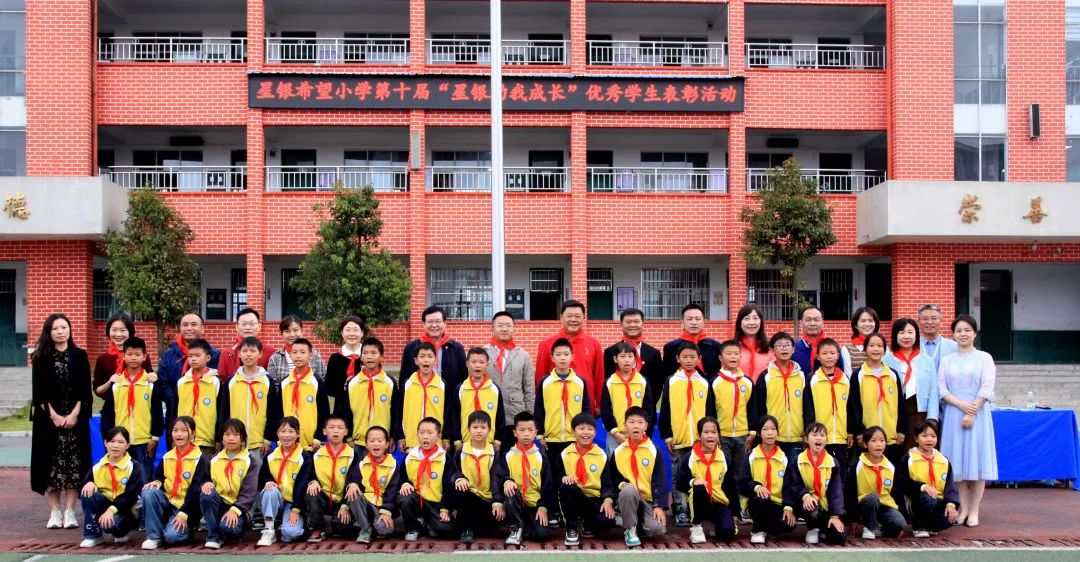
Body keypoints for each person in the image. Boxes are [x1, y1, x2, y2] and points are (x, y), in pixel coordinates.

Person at [30, 313, 92, 529]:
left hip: (75, 420)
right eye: (55, 328)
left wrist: (74, 414)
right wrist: (54, 416)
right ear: (49, 332)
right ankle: (55, 512)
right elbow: (39, 393)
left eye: (64, 327)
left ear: (69, 329)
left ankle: (70, 512)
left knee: (74, 466)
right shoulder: (40, 357)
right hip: (49, 422)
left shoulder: (80, 355)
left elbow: (84, 391)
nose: (60, 332)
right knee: (52, 466)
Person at [938, 315, 997, 528]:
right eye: (959, 331)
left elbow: (987, 387)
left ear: (975, 333)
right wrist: (961, 405)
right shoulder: (947, 360)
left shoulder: (984, 358)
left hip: (978, 415)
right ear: (953, 335)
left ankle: (974, 510)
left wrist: (972, 411)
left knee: (977, 461)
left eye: (967, 330)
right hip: (954, 413)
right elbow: (942, 389)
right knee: (957, 463)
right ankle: (963, 507)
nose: (963, 334)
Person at [659, 341, 714, 527]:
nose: (689, 360)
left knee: (697, 472)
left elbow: (710, 411)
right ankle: (680, 507)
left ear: (699, 359)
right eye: (684, 357)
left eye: (692, 357)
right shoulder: (671, 381)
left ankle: (695, 507)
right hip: (678, 438)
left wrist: (708, 435)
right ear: (677, 359)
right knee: (678, 473)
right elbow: (665, 410)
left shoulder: (705, 382)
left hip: (699, 439)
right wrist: (667, 435)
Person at [99, 336, 164, 482]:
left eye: (137, 354)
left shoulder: (150, 384)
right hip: (120, 441)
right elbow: (108, 414)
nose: (133, 358)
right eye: (129, 354)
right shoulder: (116, 385)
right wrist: (109, 438)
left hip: (144, 441)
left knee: (144, 479)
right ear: (123, 356)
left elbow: (157, 413)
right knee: (121, 480)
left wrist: (154, 438)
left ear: (144, 356)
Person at [141, 416, 209, 550]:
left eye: (184, 430)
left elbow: (195, 490)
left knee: (172, 537)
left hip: (186, 508)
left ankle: (184, 530)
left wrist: (184, 513)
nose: (179, 434)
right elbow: (159, 476)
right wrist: (156, 481)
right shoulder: (168, 456)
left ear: (193, 433)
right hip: (168, 502)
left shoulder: (200, 458)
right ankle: (154, 537)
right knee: (149, 492)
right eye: (175, 430)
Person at [535, 338, 591, 488]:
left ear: (572, 357)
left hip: (574, 438)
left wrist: (583, 433)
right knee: (552, 475)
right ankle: (552, 502)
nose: (562, 358)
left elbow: (586, 410)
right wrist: (540, 435)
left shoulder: (580, 382)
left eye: (566, 354)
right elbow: (539, 409)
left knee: (571, 475)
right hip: (551, 439)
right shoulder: (545, 382)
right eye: (558, 354)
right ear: (552, 358)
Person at [610, 406, 668, 548]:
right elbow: (613, 478)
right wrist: (622, 484)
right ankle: (630, 529)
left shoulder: (653, 450)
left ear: (646, 426)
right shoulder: (618, 452)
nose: (636, 426)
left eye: (640, 422)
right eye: (631, 422)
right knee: (628, 490)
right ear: (625, 426)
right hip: (628, 498)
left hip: (647, 500)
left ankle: (639, 525)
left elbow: (660, 480)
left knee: (657, 530)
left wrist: (658, 505)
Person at [78, 427, 144, 547]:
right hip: (105, 506)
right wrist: (88, 483)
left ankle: (121, 532)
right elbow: (81, 491)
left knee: (111, 525)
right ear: (105, 443)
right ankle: (93, 535)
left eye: (120, 442)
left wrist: (111, 510)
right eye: (112, 441)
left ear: (127, 445)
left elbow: (131, 496)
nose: (115, 445)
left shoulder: (133, 466)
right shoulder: (98, 466)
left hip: (125, 511)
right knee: (87, 492)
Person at [535, 300, 605, 412]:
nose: (573, 320)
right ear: (561, 318)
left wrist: (599, 405)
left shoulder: (593, 344)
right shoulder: (546, 344)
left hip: (585, 404)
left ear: (583, 318)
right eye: (569, 316)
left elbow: (599, 377)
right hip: (554, 404)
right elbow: (540, 377)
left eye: (578, 316)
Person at [676, 416, 736, 544]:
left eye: (714, 432)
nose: (710, 436)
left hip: (719, 501)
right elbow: (680, 483)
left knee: (727, 533)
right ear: (699, 435)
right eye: (706, 432)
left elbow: (730, 486)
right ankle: (696, 526)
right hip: (698, 501)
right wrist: (693, 481)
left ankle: (717, 522)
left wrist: (733, 513)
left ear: (718, 436)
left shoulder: (724, 457)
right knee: (700, 489)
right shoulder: (690, 457)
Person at [784, 423, 846, 545]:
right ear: (806, 439)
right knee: (811, 506)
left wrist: (835, 516)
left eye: (822, 435)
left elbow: (836, 491)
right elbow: (794, 484)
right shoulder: (797, 460)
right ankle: (812, 528)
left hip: (825, 506)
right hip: (806, 504)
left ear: (826, 440)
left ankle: (823, 528)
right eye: (814, 435)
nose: (819, 438)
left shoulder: (833, 463)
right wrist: (805, 495)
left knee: (839, 537)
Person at [558, 413, 615, 546]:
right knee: (568, 487)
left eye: (590, 429)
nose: (586, 432)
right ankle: (571, 528)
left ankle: (587, 524)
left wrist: (608, 500)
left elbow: (607, 483)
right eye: (581, 428)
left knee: (607, 522)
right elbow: (556, 477)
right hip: (573, 497)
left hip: (593, 499)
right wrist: (563, 477)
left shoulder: (601, 455)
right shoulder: (565, 454)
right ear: (573, 432)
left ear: (595, 432)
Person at [201, 418, 259, 549]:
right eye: (227, 434)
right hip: (220, 505)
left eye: (236, 434)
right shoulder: (214, 460)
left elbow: (249, 491)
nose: (231, 438)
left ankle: (233, 529)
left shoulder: (250, 461)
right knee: (206, 493)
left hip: (239, 508)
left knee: (229, 529)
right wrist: (206, 483)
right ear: (222, 438)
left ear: (243, 439)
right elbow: (204, 479)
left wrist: (235, 510)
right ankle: (213, 536)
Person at [496, 411, 553, 545]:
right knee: (510, 488)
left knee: (543, 535)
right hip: (513, 502)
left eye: (530, 430)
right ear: (515, 433)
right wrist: (506, 481)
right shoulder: (507, 455)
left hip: (534, 503)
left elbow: (548, 485)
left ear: (536, 432)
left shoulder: (541, 456)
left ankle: (525, 527)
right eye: (522, 430)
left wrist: (543, 507)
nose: (526, 434)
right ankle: (516, 527)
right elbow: (499, 477)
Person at [737, 415, 795, 545]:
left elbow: (788, 486)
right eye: (765, 429)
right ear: (759, 433)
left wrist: (788, 507)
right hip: (756, 502)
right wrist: (756, 486)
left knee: (789, 524)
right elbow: (741, 484)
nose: (770, 433)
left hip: (776, 504)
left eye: (773, 429)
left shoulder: (784, 458)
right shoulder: (751, 456)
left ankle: (768, 528)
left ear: (777, 433)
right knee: (762, 499)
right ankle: (757, 530)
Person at [896, 420, 960, 538]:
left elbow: (950, 486)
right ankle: (919, 526)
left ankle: (931, 526)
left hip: (937, 502)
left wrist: (951, 504)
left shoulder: (943, 460)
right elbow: (902, 483)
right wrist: (923, 486)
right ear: (916, 438)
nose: (929, 439)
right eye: (924, 436)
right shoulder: (909, 459)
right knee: (928, 497)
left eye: (933, 436)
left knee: (950, 518)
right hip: (915, 502)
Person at [851, 333, 908, 463]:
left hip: (891, 438)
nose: (875, 349)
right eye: (871, 345)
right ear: (865, 349)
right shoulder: (858, 375)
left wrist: (901, 430)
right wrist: (859, 432)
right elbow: (854, 407)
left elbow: (900, 404)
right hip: (868, 438)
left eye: (879, 346)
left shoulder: (892, 374)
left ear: (885, 350)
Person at [303, 414, 361, 542]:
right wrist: (313, 481)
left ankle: (339, 521)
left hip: (343, 499)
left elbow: (354, 478)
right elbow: (310, 474)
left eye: (340, 428)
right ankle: (318, 527)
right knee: (311, 492)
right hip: (324, 498)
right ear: (324, 431)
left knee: (343, 529)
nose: (336, 431)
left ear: (346, 432)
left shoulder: (353, 454)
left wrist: (345, 505)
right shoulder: (316, 454)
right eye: (331, 427)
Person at [219, 336, 279, 460]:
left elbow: (272, 412)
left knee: (257, 471)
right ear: (239, 354)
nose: (248, 354)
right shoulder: (231, 381)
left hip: (259, 442)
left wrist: (267, 438)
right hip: (235, 441)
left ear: (260, 354)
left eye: (252, 351)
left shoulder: (267, 381)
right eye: (245, 351)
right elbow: (224, 411)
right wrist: (223, 437)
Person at [257, 417, 313, 546]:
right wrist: (268, 481)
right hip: (277, 501)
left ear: (298, 434)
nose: (286, 435)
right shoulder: (270, 456)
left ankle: (288, 524)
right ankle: (269, 530)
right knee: (270, 490)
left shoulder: (304, 457)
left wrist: (296, 509)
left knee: (290, 533)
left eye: (291, 431)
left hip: (294, 504)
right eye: (283, 431)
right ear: (277, 433)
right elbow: (262, 480)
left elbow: (302, 485)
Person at [885, 319, 940, 450]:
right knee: (896, 449)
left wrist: (932, 418)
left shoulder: (927, 360)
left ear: (916, 335)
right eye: (902, 332)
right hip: (894, 412)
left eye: (910, 332)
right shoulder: (886, 360)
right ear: (895, 335)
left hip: (918, 411)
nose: (906, 336)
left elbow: (933, 390)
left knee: (916, 450)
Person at [448, 411, 503, 544]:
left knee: (495, 523)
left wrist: (497, 501)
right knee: (461, 490)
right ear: (468, 429)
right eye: (475, 427)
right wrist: (459, 478)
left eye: (483, 427)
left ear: (489, 430)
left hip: (486, 498)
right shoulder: (461, 450)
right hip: (468, 495)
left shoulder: (494, 452)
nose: (479, 431)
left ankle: (473, 525)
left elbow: (496, 477)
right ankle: (466, 528)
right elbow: (454, 471)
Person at [397, 417, 455, 541]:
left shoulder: (445, 458)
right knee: (405, 497)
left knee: (446, 529)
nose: (425, 437)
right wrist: (405, 483)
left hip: (436, 503)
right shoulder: (410, 456)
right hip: (416, 499)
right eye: (422, 433)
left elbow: (448, 487)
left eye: (430, 433)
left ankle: (428, 524)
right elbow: (401, 477)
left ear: (439, 435)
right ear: (417, 435)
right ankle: (413, 527)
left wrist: (445, 509)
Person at [485, 311, 535, 445]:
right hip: (489, 414)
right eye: (500, 325)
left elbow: (529, 389)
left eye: (508, 325)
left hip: (515, 415)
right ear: (492, 328)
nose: (504, 329)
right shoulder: (482, 353)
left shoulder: (523, 355)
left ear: (514, 328)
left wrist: (528, 416)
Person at [846, 426, 906, 539]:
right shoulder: (858, 465)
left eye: (882, 441)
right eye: (873, 441)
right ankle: (869, 527)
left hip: (885, 505)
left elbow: (897, 493)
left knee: (900, 523)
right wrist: (852, 520)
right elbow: (850, 493)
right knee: (872, 498)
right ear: (865, 444)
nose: (878, 444)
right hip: (864, 505)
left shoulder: (890, 467)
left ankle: (879, 526)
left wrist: (902, 518)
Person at [337, 337, 397, 448]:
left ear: (381, 357)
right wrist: (348, 437)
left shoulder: (390, 382)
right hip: (358, 442)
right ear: (361, 357)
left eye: (373, 353)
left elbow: (395, 412)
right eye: (365, 353)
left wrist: (392, 436)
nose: (369, 356)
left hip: (382, 441)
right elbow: (345, 411)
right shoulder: (352, 383)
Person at [804, 338, 855, 470]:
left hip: (841, 437)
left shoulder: (845, 379)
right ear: (818, 356)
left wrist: (850, 432)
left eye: (832, 353)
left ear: (838, 356)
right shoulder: (813, 379)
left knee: (841, 472)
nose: (829, 357)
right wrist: (809, 432)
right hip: (819, 437)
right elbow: (808, 408)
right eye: (824, 353)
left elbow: (850, 408)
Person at [752, 333, 807, 456]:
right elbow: (759, 407)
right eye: (780, 345)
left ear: (793, 349)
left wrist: (806, 431)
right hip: (773, 437)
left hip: (797, 436)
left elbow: (807, 406)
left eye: (787, 345)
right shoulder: (766, 376)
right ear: (772, 350)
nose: (784, 348)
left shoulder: (801, 376)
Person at [600, 341, 654, 456]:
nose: (627, 360)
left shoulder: (642, 381)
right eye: (623, 356)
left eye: (630, 356)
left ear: (635, 359)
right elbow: (605, 409)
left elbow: (648, 409)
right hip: (616, 436)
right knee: (615, 464)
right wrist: (615, 433)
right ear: (615, 359)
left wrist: (644, 431)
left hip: (639, 434)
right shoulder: (610, 382)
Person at [171, 338, 223, 455]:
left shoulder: (215, 382)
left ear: (208, 357)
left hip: (206, 440)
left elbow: (221, 411)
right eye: (190, 356)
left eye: (197, 355)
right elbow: (173, 411)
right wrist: (172, 437)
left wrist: (218, 438)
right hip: (183, 439)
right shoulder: (182, 382)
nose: (193, 359)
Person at [158, 312, 220, 410]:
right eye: (185, 325)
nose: (189, 328)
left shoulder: (214, 354)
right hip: (175, 409)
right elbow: (163, 383)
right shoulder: (169, 354)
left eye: (194, 325)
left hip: (206, 409)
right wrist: (176, 401)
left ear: (202, 329)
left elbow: (219, 383)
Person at [394, 342, 448, 451]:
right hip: (411, 441)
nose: (426, 360)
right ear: (416, 360)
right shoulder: (407, 384)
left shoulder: (442, 385)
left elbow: (447, 413)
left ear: (435, 361)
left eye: (430, 356)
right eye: (422, 356)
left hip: (435, 443)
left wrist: (446, 438)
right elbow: (399, 411)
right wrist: (400, 436)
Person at [350, 425, 400, 544]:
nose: (376, 444)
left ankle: (367, 524)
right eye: (372, 441)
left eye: (380, 441)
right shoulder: (362, 464)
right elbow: (353, 480)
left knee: (385, 530)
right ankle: (365, 529)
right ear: (366, 445)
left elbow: (392, 491)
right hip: (366, 504)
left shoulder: (393, 465)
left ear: (387, 444)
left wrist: (386, 511)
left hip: (382, 505)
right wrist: (352, 484)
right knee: (353, 492)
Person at [446, 348, 505, 448]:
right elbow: (454, 416)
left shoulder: (494, 389)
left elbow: (500, 416)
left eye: (482, 362)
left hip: (489, 443)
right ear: (467, 364)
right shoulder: (461, 389)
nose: (477, 365)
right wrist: (457, 441)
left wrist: (498, 440)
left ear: (487, 364)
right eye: (473, 362)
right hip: (465, 442)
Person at [401, 306, 468, 391]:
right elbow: (404, 379)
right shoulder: (411, 348)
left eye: (438, 321)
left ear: (445, 323)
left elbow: (463, 380)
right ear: (424, 324)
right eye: (430, 322)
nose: (434, 325)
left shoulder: (457, 348)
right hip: (419, 397)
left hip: (448, 397)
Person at [280, 338, 330, 451]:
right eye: (295, 352)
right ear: (290, 355)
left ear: (310, 356)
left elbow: (324, 412)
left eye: (303, 352)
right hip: (287, 442)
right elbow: (278, 412)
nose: (298, 356)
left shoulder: (317, 382)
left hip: (311, 444)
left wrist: (319, 438)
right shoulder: (284, 382)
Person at [603, 308, 664, 397]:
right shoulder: (610, 352)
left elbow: (658, 384)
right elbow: (606, 381)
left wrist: (647, 402)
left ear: (642, 324)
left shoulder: (654, 353)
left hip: (645, 403)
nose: (632, 325)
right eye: (628, 322)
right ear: (621, 325)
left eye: (636, 321)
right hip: (617, 401)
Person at [93, 313, 153, 399]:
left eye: (122, 330)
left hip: (139, 402)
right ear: (108, 331)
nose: (118, 334)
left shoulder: (140, 356)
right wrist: (110, 382)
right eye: (114, 330)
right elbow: (97, 391)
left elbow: (150, 377)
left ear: (130, 331)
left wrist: (153, 376)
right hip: (112, 405)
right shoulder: (102, 359)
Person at [662, 303, 722, 378]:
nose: (694, 323)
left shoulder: (716, 347)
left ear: (703, 322)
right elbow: (666, 376)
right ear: (682, 323)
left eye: (698, 319)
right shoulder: (671, 347)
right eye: (689, 319)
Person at [217, 307, 275, 382]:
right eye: (244, 324)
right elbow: (222, 381)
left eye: (252, 324)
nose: (248, 327)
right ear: (237, 327)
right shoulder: (227, 354)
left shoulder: (270, 352)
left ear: (259, 326)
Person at [268, 315, 326, 384]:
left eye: (295, 330)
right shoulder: (275, 358)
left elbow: (322, 380)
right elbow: (273, 385)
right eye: (287, 331)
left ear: (302, 331)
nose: (292, 334)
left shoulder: (314, 354)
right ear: (281, 333)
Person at [324, 316, 366, 404]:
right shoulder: (335, 358)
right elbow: (329, 388)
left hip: (365, 404)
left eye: (355, 330)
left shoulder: (368, 357)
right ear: (342, 333)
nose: (352, 334)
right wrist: (344, 386)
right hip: (342, 406)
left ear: (362, 333)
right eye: (348, 330)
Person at [793, 307, 844, 375]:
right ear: (801, 323)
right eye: (808, 320)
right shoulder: (793, 349)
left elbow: (840, 374)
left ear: (823, 323)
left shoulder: (833, 347)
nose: (812, 323)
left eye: (816, 320)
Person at [734, 304, 772, 384]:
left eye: (755, 318)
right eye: (747, 318)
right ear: (739, 323)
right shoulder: (732, 348)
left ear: (761, 322)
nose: (751, 322)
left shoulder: (770, 350)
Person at [841, 307, 881, 378]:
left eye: (870, 320)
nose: (867, 324)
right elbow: (849, 376)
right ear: (856, 325)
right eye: (863, 321)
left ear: (875, 324)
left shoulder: (883, 348)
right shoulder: (847, 350)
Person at [918, 304, 958, 372]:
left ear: (941, 321)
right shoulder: (912, 346)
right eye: (925, 319)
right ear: (918, 322)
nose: (929, 322)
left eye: (934, 318)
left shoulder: (954, 346)